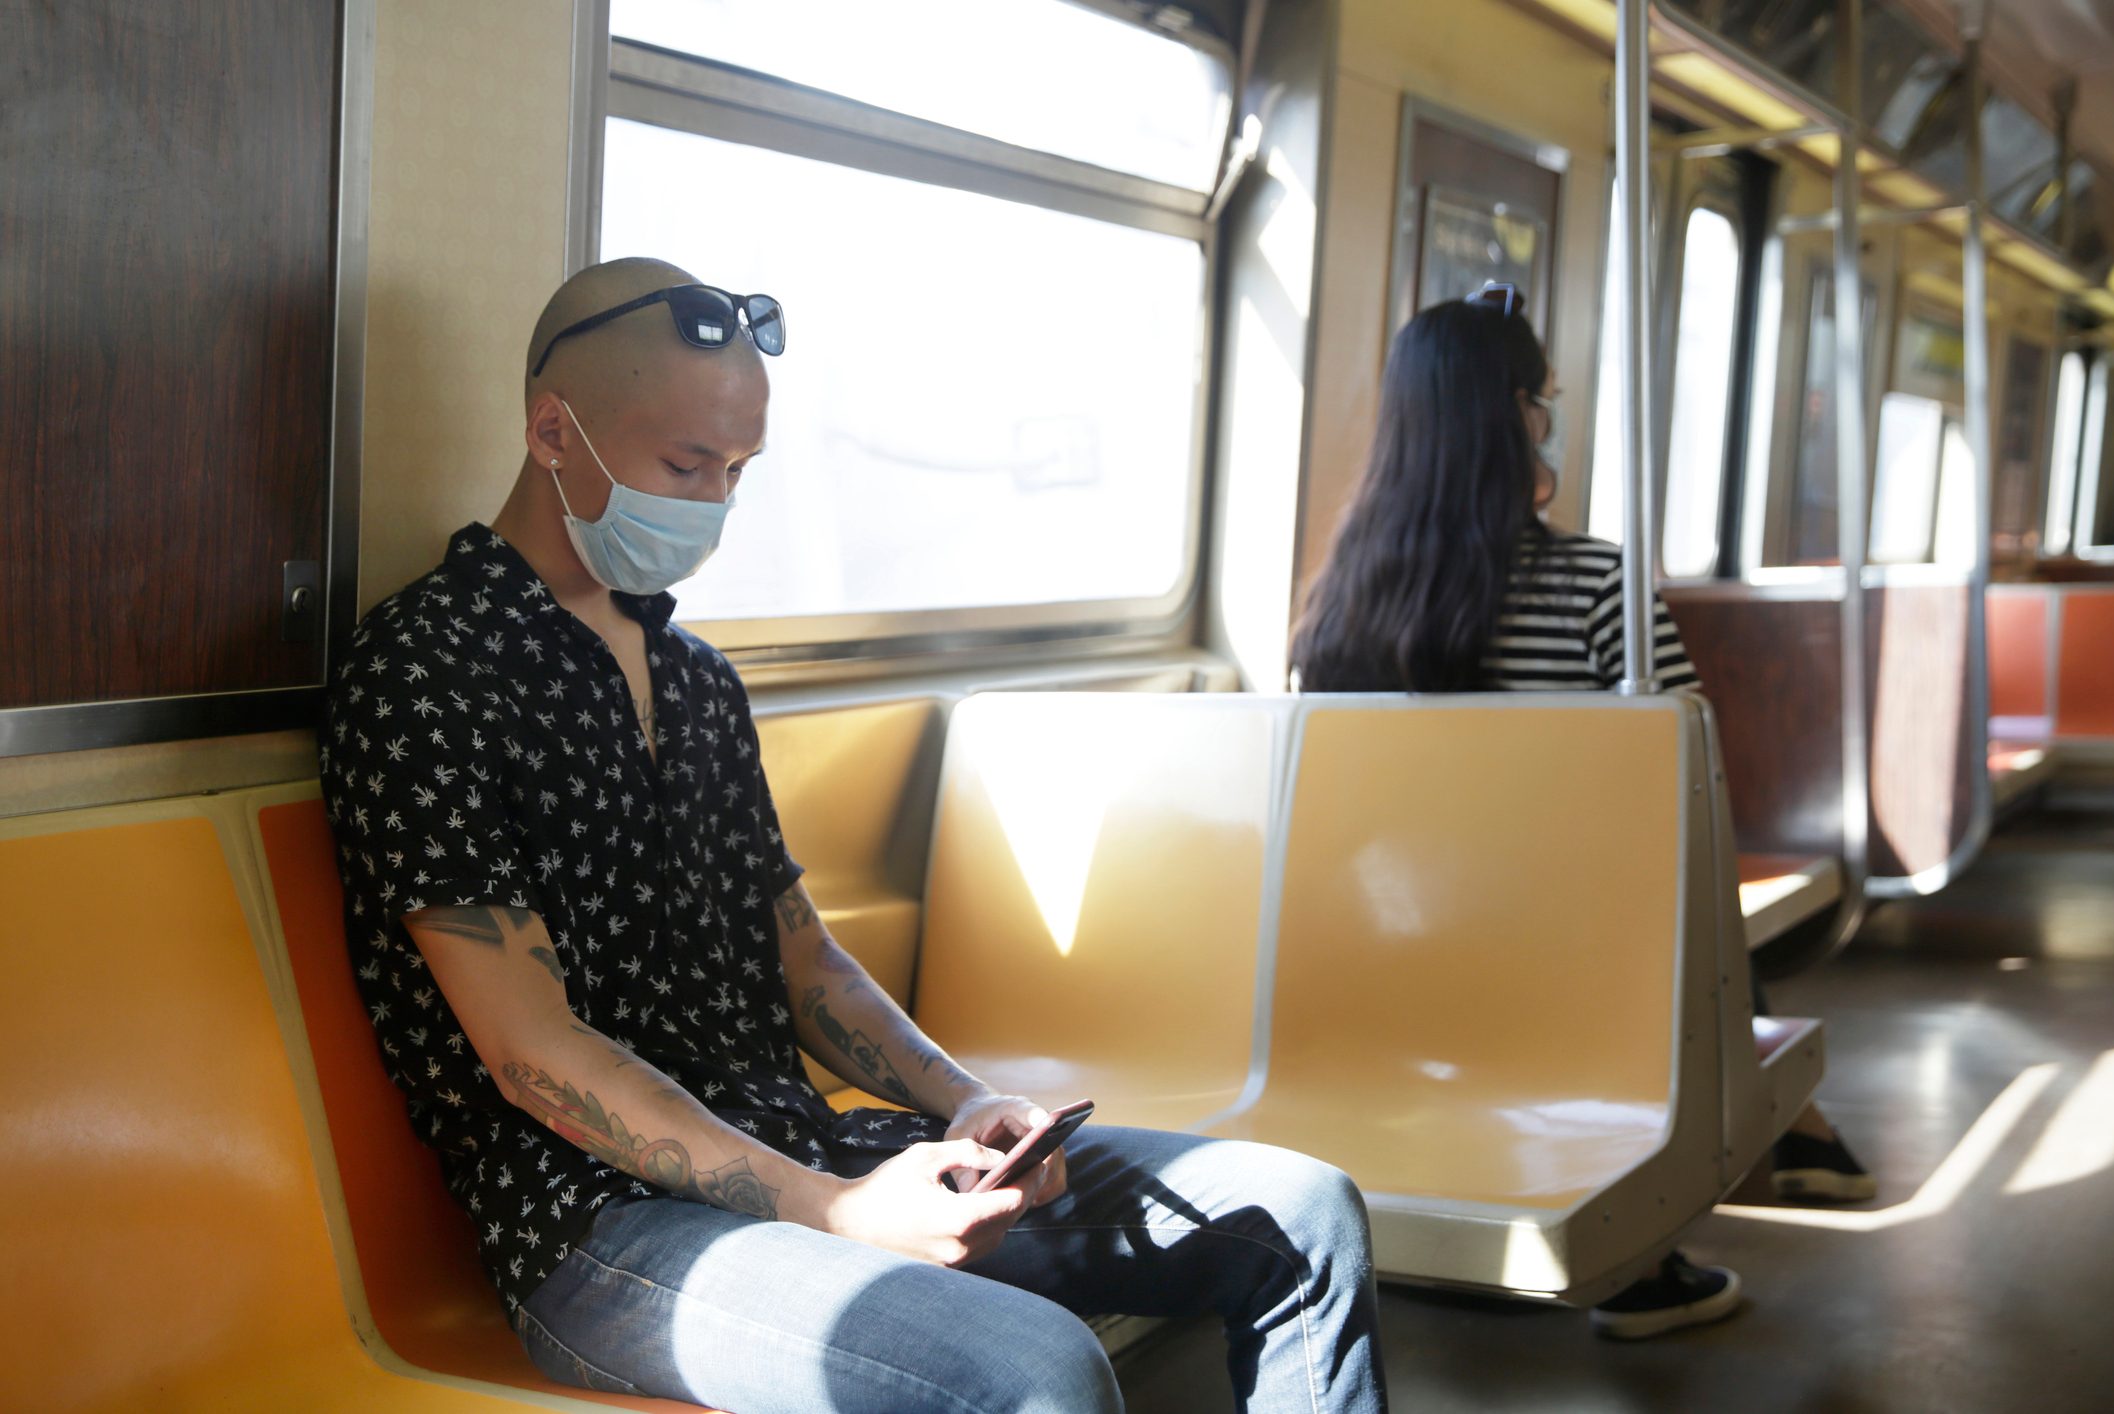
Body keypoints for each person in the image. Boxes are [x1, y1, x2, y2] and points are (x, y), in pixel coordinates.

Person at [320, 256, 1385, 1413]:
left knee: (1302, 1215)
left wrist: (966, 1100)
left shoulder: (696, 681)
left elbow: (806, 961)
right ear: (551, 430)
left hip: (803, 1152)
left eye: (737, 471)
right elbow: (533, 1051)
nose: (715, 503)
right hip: (600, 1227)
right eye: (686, 464)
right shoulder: (425, 671)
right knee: (1034, 1371)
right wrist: (836, 1212)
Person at [1288, 287, 1868, 1339]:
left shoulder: (1334, 606)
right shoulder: (1598, 585)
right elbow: (1691, 788)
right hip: (1574, 956)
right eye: (1542, 400)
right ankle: (1689, 1213)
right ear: (1516, 416)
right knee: (1689, 923)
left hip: (1387, 949)